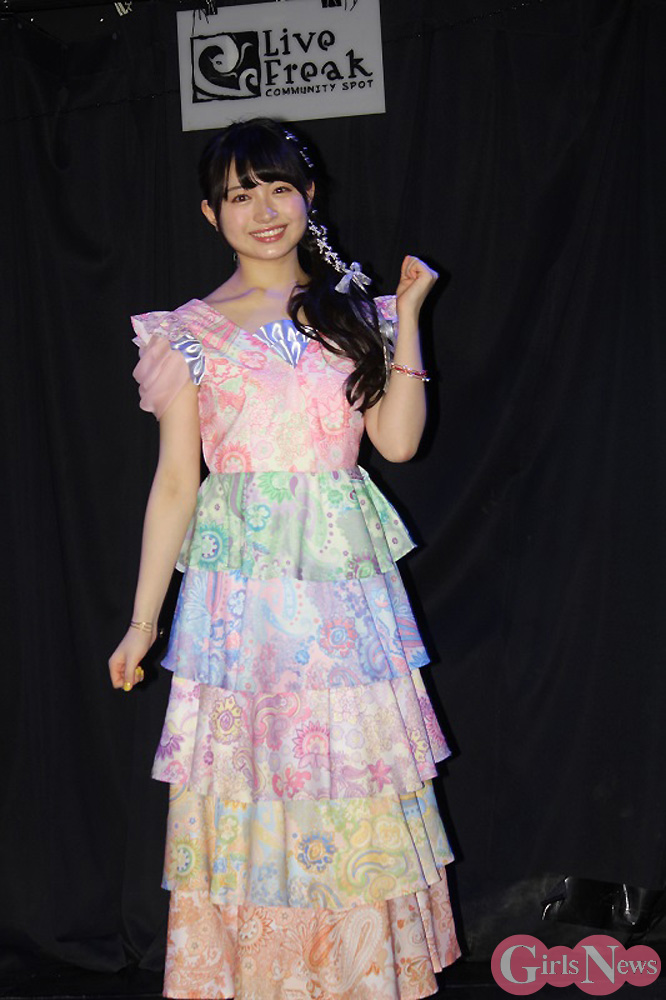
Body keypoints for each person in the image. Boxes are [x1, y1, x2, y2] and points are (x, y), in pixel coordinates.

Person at [109, 117, 460, 1000]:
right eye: (240, 195)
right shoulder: (189, 332)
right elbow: (175, 485)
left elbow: (399, 442)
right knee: (253, 784)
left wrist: (408, 318)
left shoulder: (355, 312)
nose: (263, 210)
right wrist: (144, 621)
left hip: (343, 602)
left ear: (308, 196)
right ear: (211, 213)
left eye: (277, 188)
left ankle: (358, 974)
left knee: (348, 778)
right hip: (242, 608)